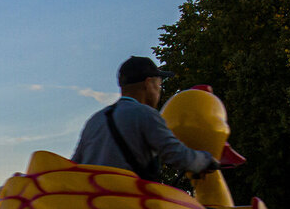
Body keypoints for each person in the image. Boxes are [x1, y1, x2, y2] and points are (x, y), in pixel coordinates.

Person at [71, 56, 218, 180]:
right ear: (148, 84)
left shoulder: (95, 120)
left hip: (96, 206)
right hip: (130, 203)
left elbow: (74, 165)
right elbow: (176, 154)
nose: (159, 91)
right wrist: (205, 160)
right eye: (159, 85)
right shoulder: (146, 114)